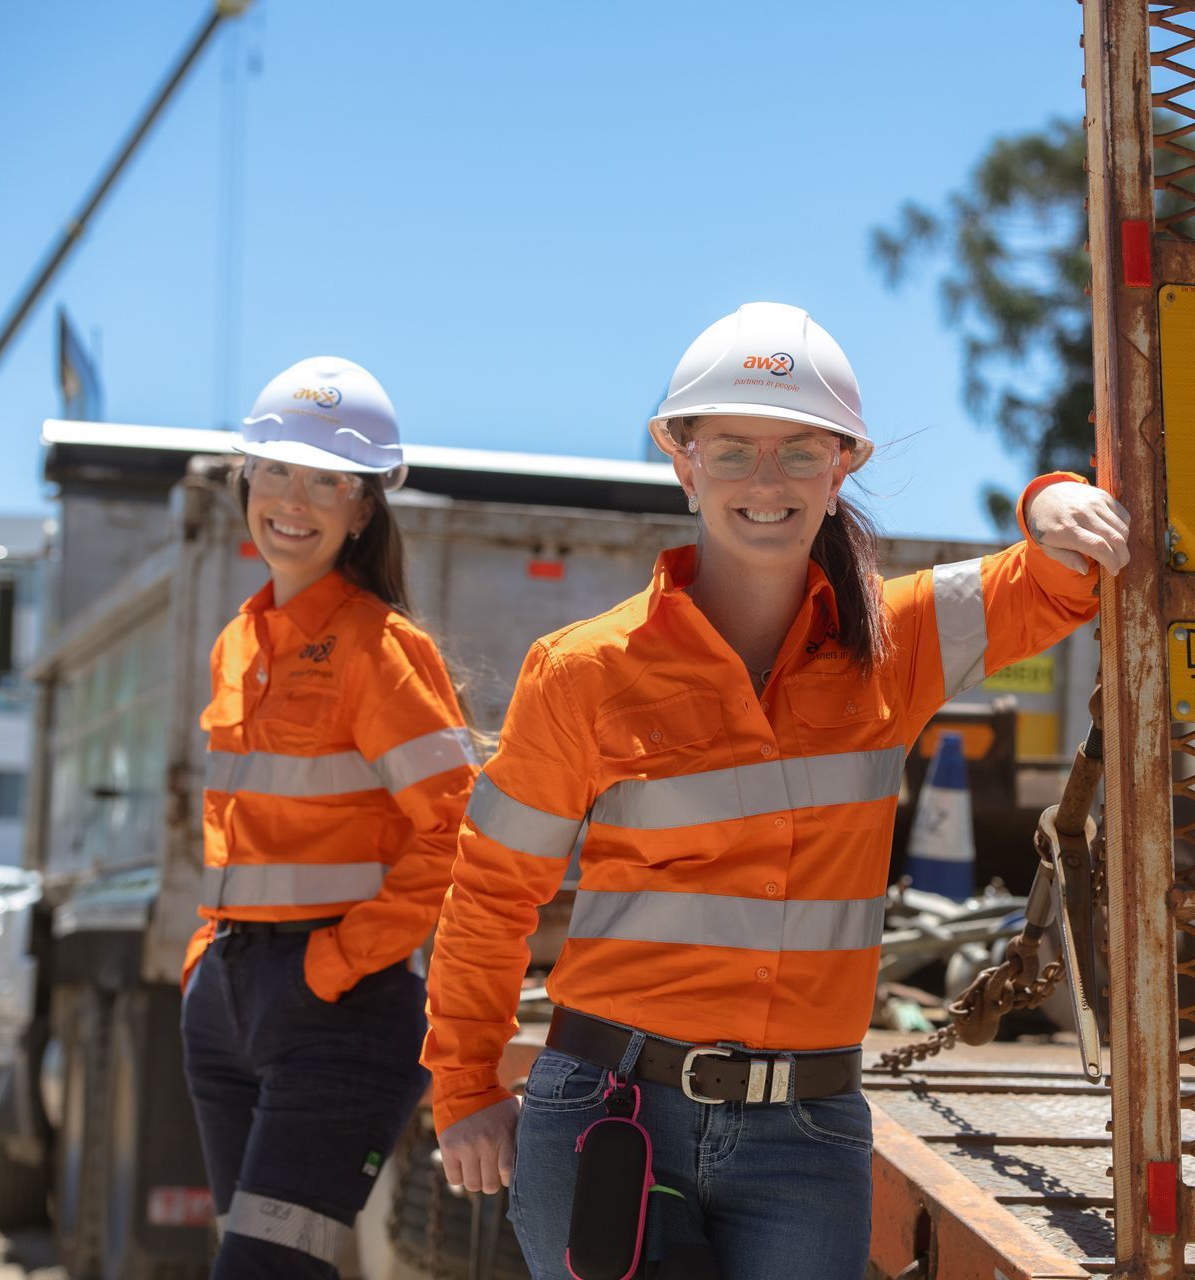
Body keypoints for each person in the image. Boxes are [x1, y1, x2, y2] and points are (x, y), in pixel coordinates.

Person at [425, 302, 1129, 1278]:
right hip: (609, 1108)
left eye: (801, 451)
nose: (768, 480)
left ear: (843, 464)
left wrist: (1050, 498)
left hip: (807, 1132)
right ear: (683, 459)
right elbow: (493, 890)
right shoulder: (582, 669)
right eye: (734, 449)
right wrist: (463, 1088)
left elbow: (1057, 580)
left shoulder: (899, 641)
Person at [180, 357, 480, 1278]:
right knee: (259, 1260)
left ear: (362, 508)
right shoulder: (241, 639)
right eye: (275, 470)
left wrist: (336, 964)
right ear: (246, 482)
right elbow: (238, 824)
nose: (292, 499)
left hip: (338, 1010)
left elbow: (461, 832)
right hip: (228, 998)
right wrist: (206, 959)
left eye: (326, 480)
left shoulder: (381, 650)